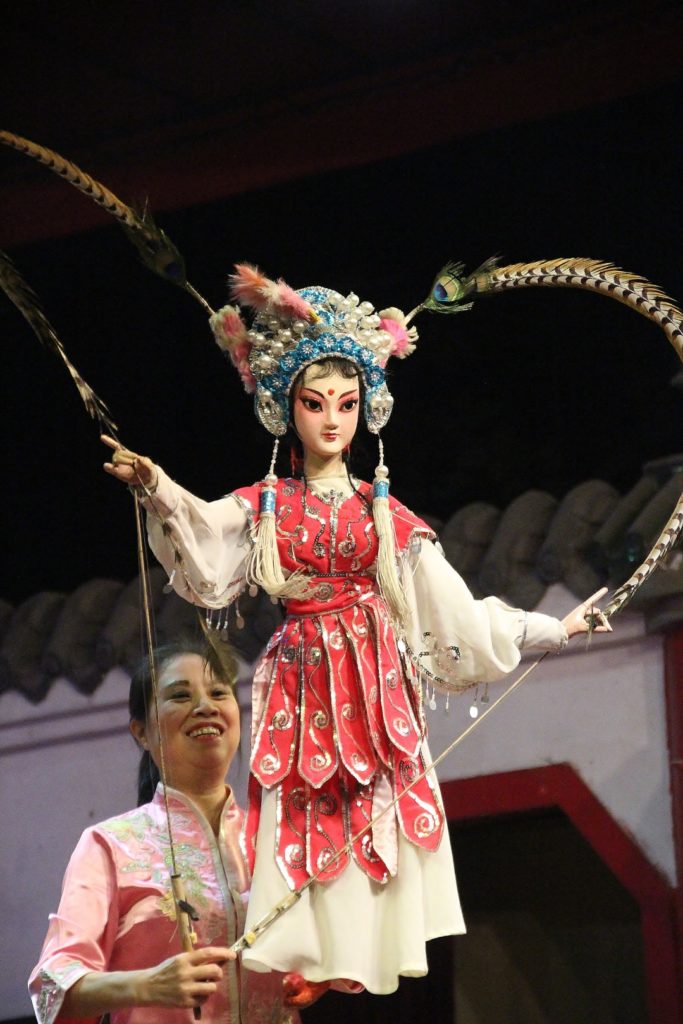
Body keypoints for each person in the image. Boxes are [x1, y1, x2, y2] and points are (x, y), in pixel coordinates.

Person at [100, 267, 610, 999]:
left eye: (346, 403)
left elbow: (451, 609)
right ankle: (314, 946)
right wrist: (153, 483)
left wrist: (550, 628)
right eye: (314, 404)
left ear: (366, 407)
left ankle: (364, 945)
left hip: (373, 686)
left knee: (373, 812)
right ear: (287, 410)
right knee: (304, 805)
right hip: (304, 678)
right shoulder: (265, 505)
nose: (331, 420)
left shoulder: (384, 514)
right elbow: (205, 536)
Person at [29, 639, 298, 1024]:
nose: (205, 706)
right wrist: (147, 985)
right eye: (180, 696)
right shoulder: (110, 845)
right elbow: (50, 989)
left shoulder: (279, 836)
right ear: (141, 732)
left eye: (218, 692)